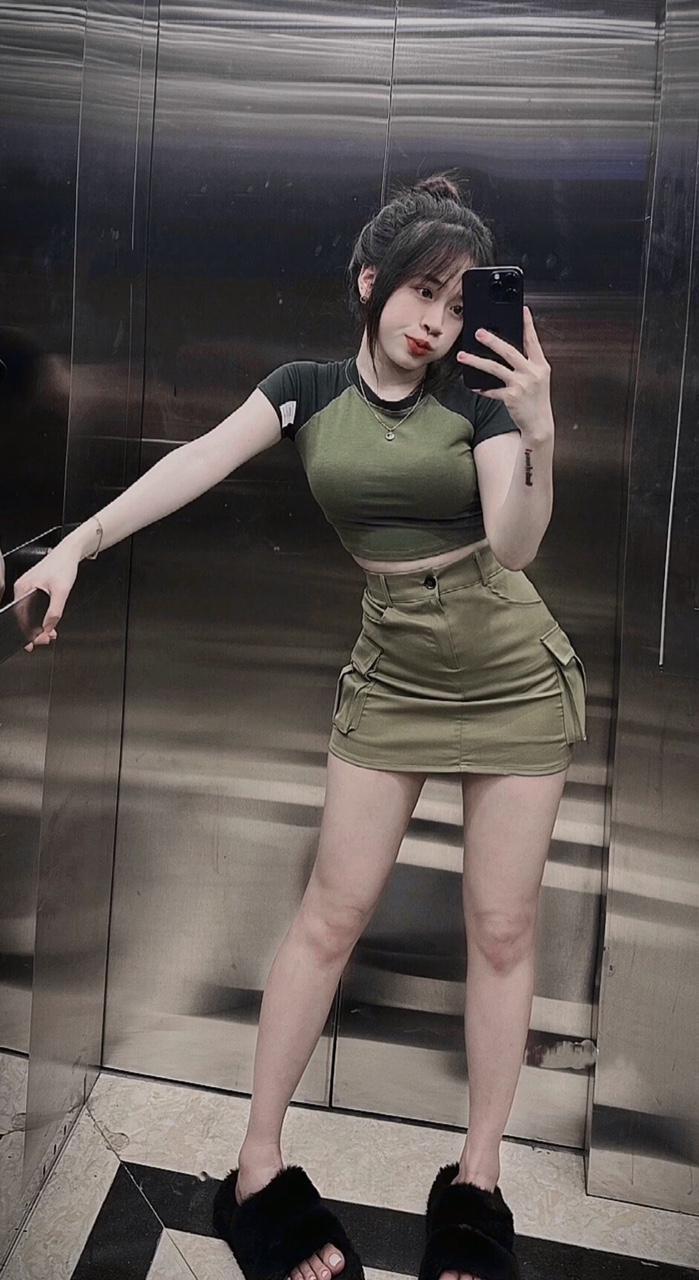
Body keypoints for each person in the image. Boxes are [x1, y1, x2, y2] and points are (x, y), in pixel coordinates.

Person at [15, 174, 586, 1280]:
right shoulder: (305, 391)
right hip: (391, 675)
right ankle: (258, 1167)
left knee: (503, 930)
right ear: (370, 282)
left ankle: (477, 1183)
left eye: (458, 301)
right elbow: (193, 462)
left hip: (515, 675)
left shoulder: (478, 402)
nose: (437, 320)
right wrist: (74, 546)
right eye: (421, 290)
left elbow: (516, 546)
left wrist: (542, 433)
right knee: (329, 915)